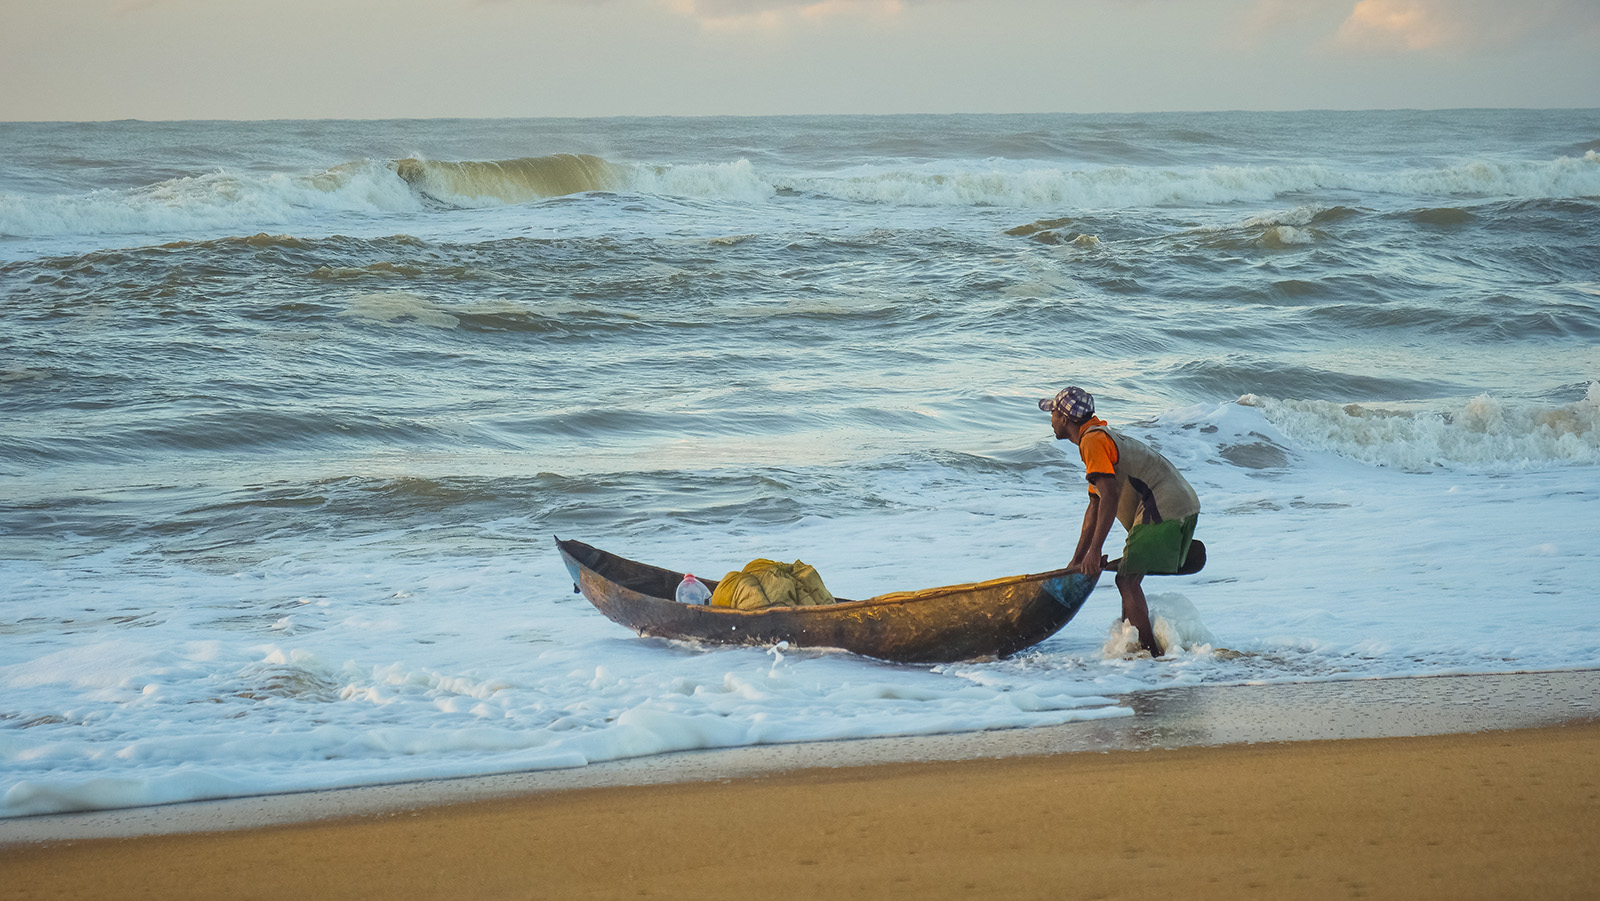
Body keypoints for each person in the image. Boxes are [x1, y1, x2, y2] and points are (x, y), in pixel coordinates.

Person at [1040, 386, 1200, 656]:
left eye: (1053, 413)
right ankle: (1135, 647)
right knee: (1127, 576)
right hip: (1180, 505)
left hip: (1163, 509)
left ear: (1065, 419)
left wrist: (1094, 551)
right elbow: (1095, 505)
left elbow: (1110, 498)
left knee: (1127, 581)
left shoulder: (1092, 441)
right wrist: (1078, 561)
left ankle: (1149, 655)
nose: (1051, 420)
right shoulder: (1097, 437)